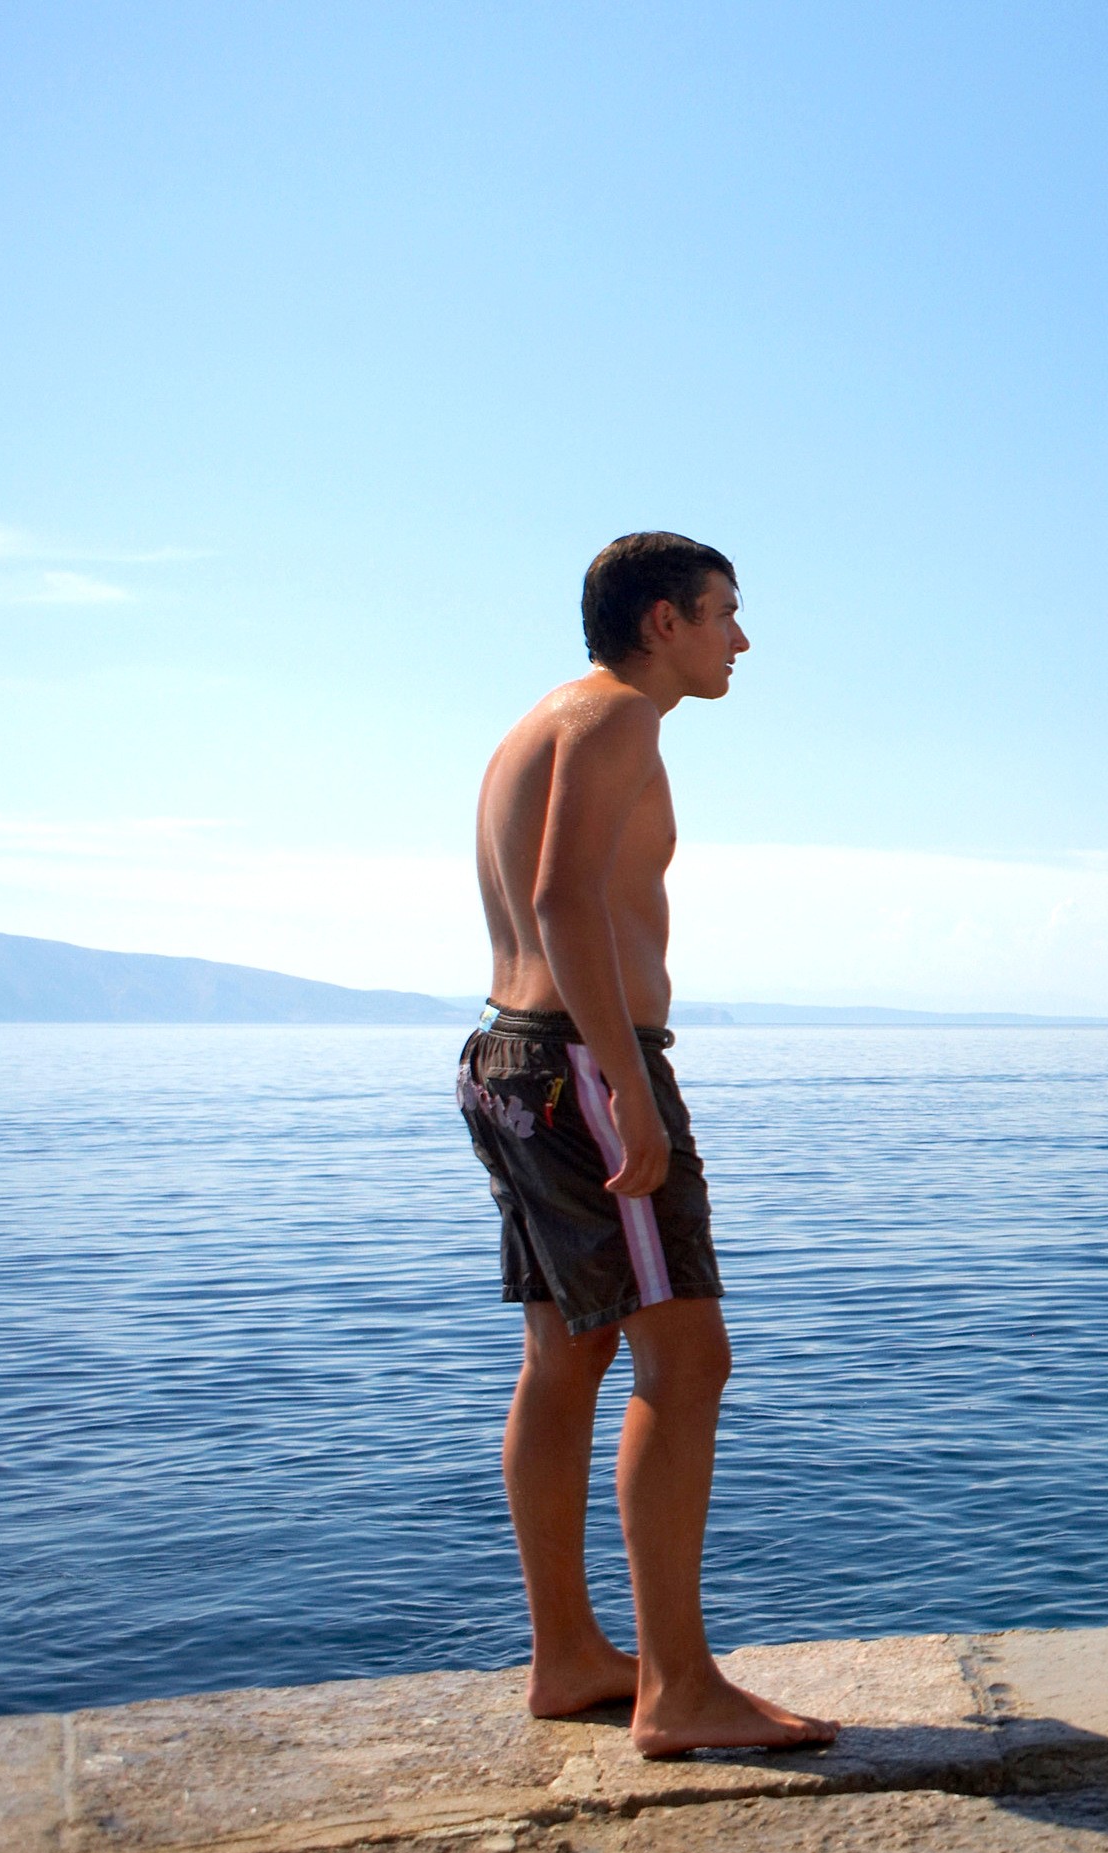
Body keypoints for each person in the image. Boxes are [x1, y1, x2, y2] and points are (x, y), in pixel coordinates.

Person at [460, 532, 838, 1757]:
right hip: (581, 1063)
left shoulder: (541, 723)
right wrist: (626, 1082)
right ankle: (677, 1687)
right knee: (687, 1360)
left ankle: (568, 1655)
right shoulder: (618, 715)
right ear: (663, 620)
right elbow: (566, 898)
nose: (741, 640)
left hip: (512, 1058)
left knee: (564, 1355)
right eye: (725, 613)